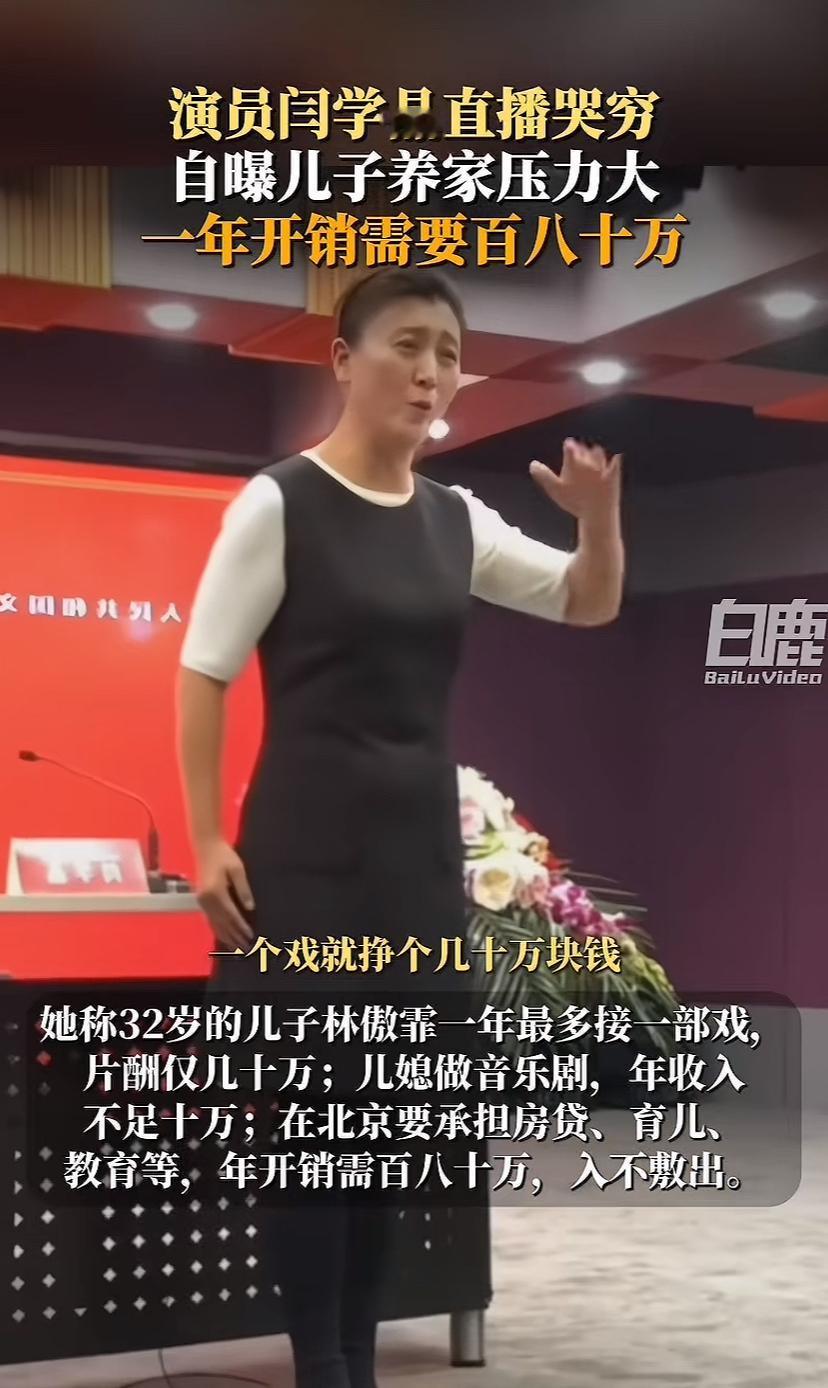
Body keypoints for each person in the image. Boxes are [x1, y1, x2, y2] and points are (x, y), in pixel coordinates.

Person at [176, 266, 624, 1388]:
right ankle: (320, 1363)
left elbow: (587, 599)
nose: (430, 373)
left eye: (448, 354)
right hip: (303, 865)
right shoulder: (281, 501)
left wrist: (600, 521)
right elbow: (203, 670)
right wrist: (207, 838)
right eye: (407, 346)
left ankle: (361, 1360)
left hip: (415, 871)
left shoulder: (454, 519)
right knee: (310, 1134)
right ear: (343, 360)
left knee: (384, 1134)